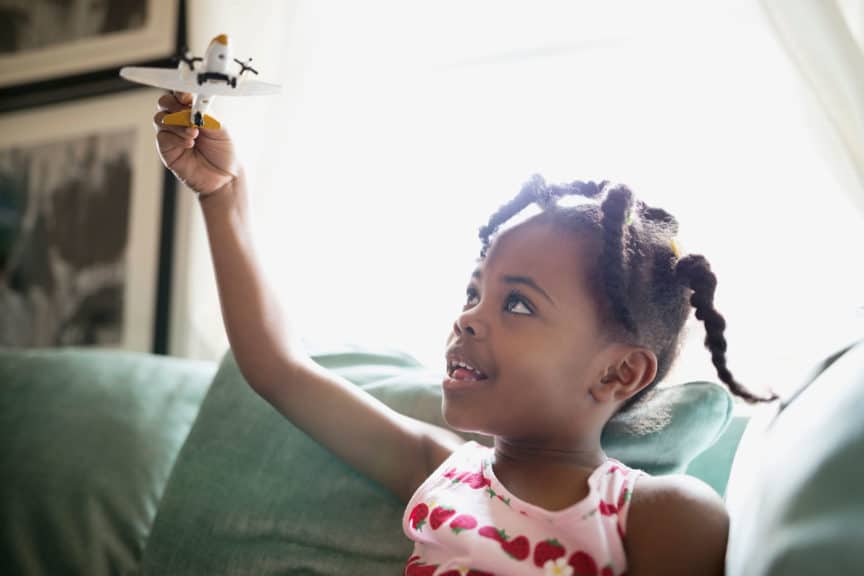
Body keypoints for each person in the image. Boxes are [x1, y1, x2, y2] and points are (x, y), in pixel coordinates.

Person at [154, 91, 777, 576]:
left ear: (619, 371)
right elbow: (277, 368)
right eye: (475, 292)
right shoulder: (444, 470)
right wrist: (224, 196)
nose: (469, 317)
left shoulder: (663, 515)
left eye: (519, 305)